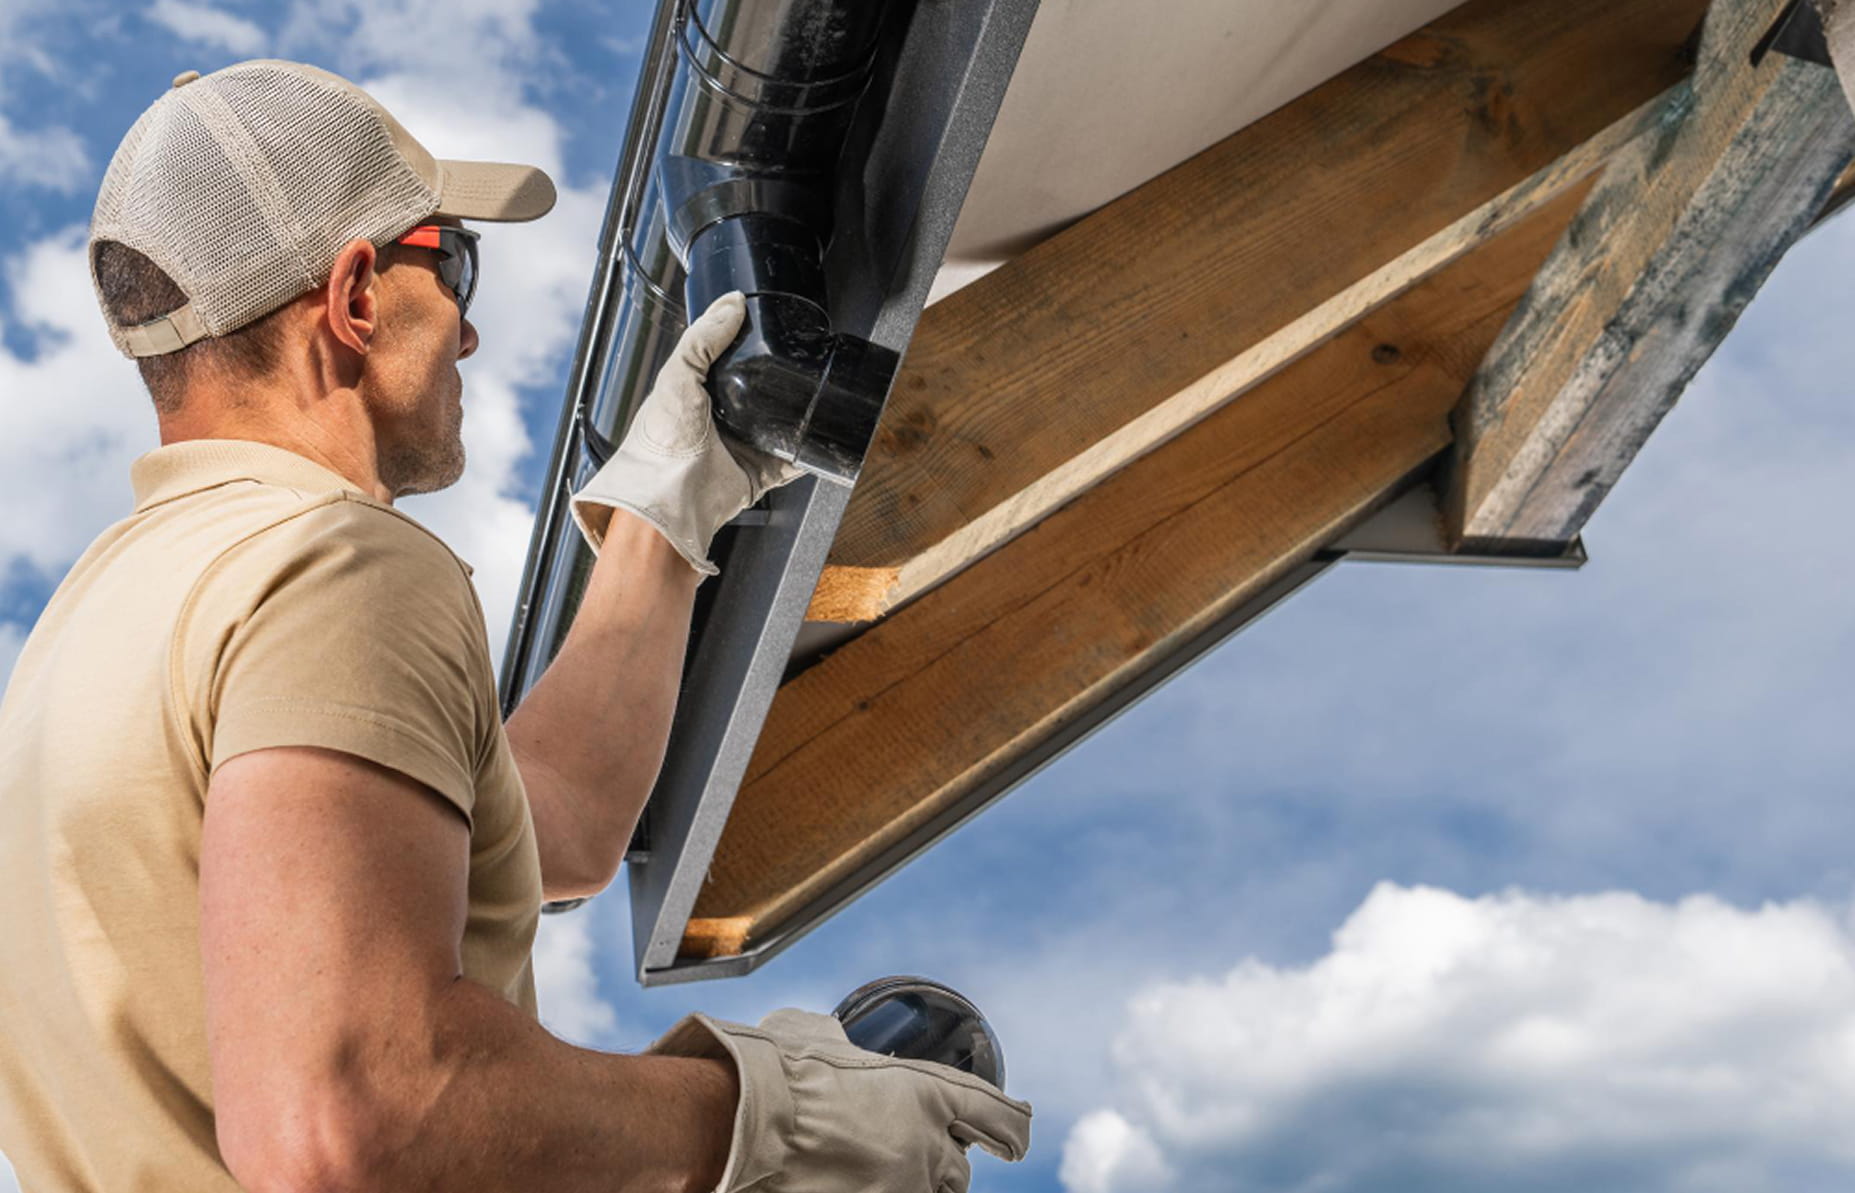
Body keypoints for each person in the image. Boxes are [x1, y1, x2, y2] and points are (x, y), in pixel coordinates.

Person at [0, 59, 1030, 1192]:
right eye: (455, 264)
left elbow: (547, 827)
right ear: (353, 299)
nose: (472, 337)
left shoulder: (84, 643)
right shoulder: (334, 569)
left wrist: (662, 511)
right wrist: (776, 1115)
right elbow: (356, 1115)